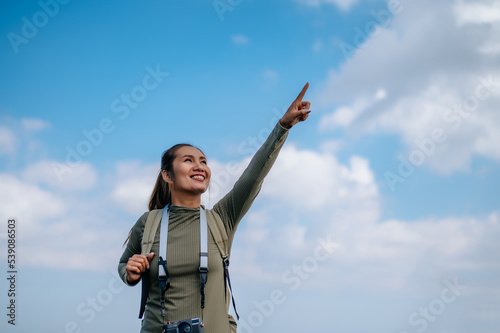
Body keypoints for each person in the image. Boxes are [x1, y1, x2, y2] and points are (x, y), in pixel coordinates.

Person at [118, 83, 311, 333]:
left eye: (204, 161)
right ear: (167, 175)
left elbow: (253, 177)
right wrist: (130, 272)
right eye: (188, 160)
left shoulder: (221, 219)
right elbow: (124, 266)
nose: (200, 166)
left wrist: (282, 127)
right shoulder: (149, 223)